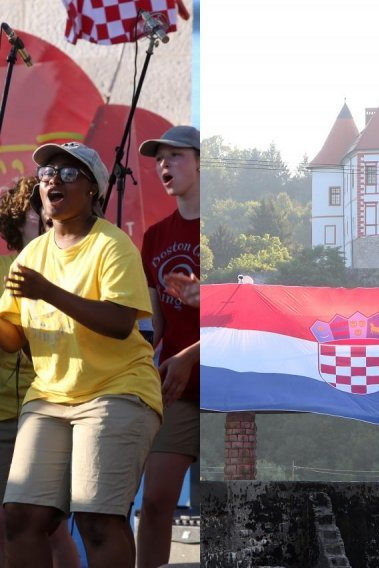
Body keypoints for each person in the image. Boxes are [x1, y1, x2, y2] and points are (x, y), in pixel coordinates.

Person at [0, 143, 163, 568]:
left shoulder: (113, 246)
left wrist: (49, 292)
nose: (53, 179)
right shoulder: (33, 254)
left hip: (118, 390)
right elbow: (12, 336)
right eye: (48, 173)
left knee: (97, 517)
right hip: (50, 396)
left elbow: (119, 323)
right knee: (20, 516)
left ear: (94, 190)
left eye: (70, 174)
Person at [0, 177, 80, 567]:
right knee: (24, 524)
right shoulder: (12, 265)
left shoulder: (69, 262)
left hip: (40, 407)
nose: (47, 216)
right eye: (36, 210)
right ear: (18, 219)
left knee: (41, 523)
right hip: (14, 410)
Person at [135, 126, 200, 568]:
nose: (164, 165)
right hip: (177, 389)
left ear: (201, 162)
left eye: (175, 156)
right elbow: (155, 327)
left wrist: (192, 352)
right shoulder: (155, 237)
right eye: (160, 158)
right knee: (156, 503)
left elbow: (251, 310)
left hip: (230, 384)